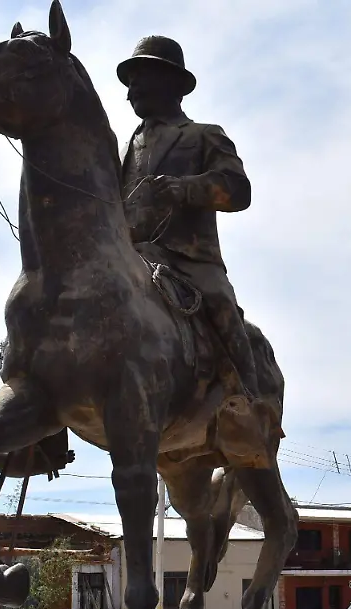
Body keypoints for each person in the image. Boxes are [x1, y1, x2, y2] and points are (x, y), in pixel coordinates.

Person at [117, 35, 261, 413]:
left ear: (174, 84)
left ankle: (247, 406)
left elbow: (238, 190)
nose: (133, 87)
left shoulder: (202, 135)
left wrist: (186, 189)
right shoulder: (119, 148)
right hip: (129, 259)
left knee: (222, 306)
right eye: (131, 79)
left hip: (188, 262)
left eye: (143, 76)